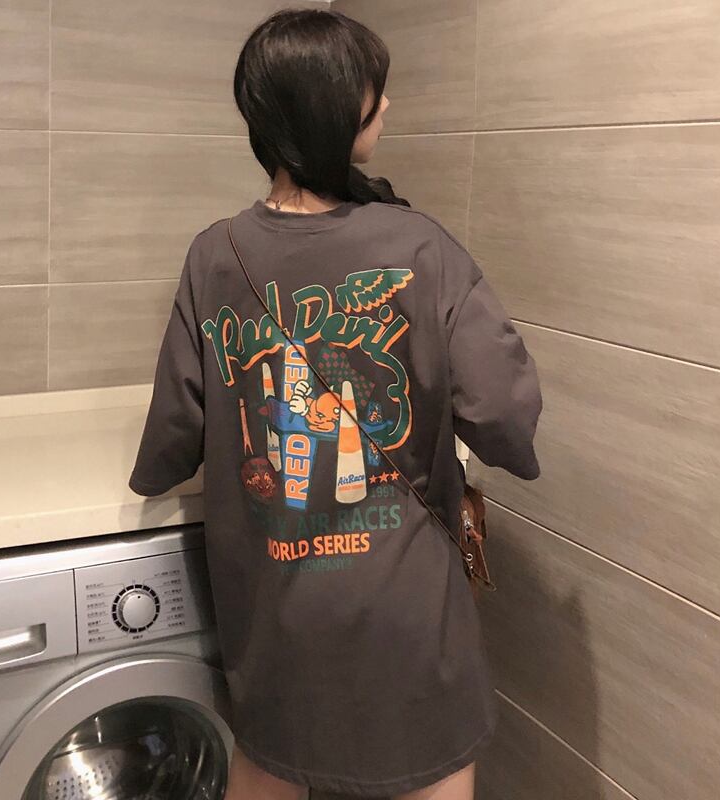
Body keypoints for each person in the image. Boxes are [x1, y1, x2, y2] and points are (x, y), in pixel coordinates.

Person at [128, 7, 542, 800]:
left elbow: (175, 432)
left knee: (269, 768)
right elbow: (503, 414)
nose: (387, 106)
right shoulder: (422, 246)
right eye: (373, 93)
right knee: (430, 767)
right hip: (407, 603)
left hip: (274, 610)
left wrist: (153, 475)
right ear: (333, 110)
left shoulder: (215, 255)